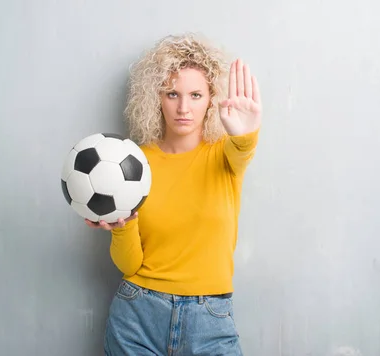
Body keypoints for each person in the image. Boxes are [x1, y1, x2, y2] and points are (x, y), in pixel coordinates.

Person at [85, 32, 262, 356]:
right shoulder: (130, 163)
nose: (183, 107)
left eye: (196, 95)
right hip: (137, 316)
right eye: (172, 94)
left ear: (211, 98)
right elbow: (130, 265)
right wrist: (121, 226)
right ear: (156, 98)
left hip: (210, 321)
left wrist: (248, 133)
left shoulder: (225, 155)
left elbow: (243, 150)